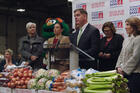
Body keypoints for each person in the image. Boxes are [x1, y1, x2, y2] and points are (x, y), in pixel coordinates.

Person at [116, 17, 140, 93]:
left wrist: (124, 70)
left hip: (135, 75)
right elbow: (121, 54)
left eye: (127, 25)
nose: (125, 27)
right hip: (124, 73)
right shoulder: (126, 39)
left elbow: (135, 57)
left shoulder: (138, 39)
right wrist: (118, 67)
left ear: (134, 26)